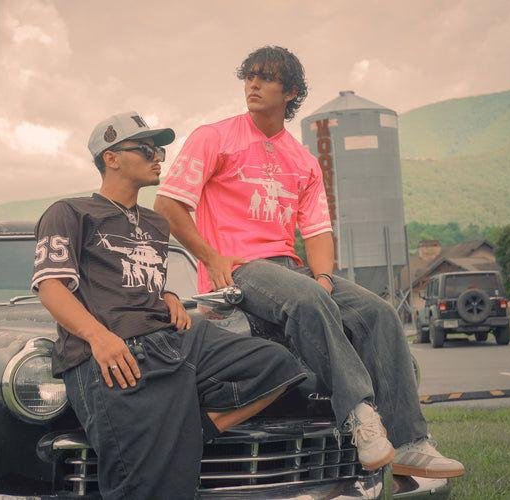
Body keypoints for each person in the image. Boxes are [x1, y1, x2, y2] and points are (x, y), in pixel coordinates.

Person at [154, 46, 465, 478]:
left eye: (265, 78)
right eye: (249, 77)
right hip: (240, 268)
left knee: (378, 312)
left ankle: (411, 444)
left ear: (290, 92)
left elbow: (317, 230)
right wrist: (211, 256)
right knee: (305, 296)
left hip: (291, 268)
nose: (253, 85)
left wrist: (322, 276)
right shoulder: (215, 138)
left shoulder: (303, 160)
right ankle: (359, 414)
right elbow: (168, 205)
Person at [32, 111, 307, 499]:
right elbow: (51, 287)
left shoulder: (156, 224)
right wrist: (98, 337)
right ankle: (169, 445)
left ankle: (191, 433)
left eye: (160, 150)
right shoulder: (71, 212)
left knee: (279, 364)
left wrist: (167, 296)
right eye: (146, 150)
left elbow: (136, 282)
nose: (158, 157)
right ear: (111, 158)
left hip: (172, 341)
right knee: (145, 487)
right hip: (115, 355)